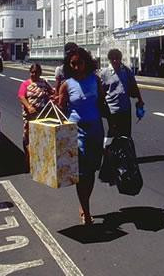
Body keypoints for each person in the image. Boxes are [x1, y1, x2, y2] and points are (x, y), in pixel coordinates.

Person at [58, 46, 109, 226]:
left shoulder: (95, 80)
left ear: (86, 62)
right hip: (76, 132)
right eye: (72, 64)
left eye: (79, 63)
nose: (76, 67)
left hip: (96, 129)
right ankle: (85, 210)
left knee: (92, 169)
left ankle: (84, 203)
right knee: (82, 171)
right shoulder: (66, 84)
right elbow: (60, 108)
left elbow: (102, 103)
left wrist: (114, 127)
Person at [101, 48, 144, 138]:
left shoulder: (126, 71)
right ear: (109, 59)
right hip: (112, 110)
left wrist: (140, 100)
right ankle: (109, 150)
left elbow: (134, 86)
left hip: (125, 109)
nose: (115, 61)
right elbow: (101, 92)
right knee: (113, 134)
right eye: (113, 59)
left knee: (126, 135)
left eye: (117, 58)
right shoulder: (104, 73)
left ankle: (126, 151)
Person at [17, 63, 54, 171]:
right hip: (30, 115)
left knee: (40, 137)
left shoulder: (44, 83)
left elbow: (51, 92)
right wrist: (28, 106)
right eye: (32, 72)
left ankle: (40, 161)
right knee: (27, 137)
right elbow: (21, 96)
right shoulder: (25, 84)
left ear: (40, 73)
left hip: (42, 115)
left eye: (36, 72)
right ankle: (27, 160)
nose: (34, 74)